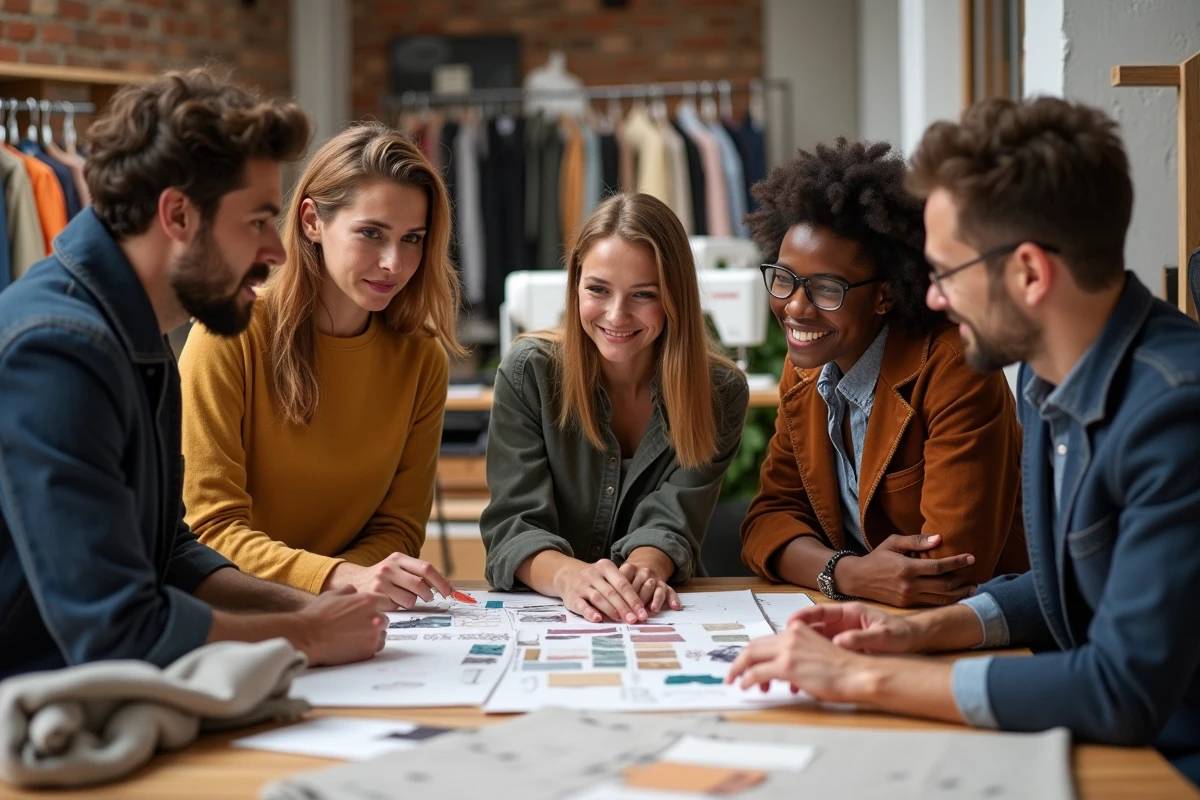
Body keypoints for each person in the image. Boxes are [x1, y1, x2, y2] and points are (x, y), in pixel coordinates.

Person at [727, 97, 1200, 787]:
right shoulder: (1047, 384)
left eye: (946, 272)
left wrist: (865, 675)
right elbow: (1071, 591)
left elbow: (1120, 689)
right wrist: (910, 632)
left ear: (1030, 273)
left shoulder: (1175, 410)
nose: (936, 299)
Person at [0, 69, 388, 679]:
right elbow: (118, 629)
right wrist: (305, 633)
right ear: (178, 214)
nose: (279, 251)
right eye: (258, 220)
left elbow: (169, 553)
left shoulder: (137, 335)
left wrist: (316, 605)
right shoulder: (56, 350)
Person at [179, 123, 462, 610]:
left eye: (413, 238)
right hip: (234, 611)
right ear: (312, 221)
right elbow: (208, 529)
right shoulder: (229, 332)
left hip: (350, 612)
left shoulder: (421, 358)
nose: (394, 262)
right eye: (371, 233)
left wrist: (352, 587)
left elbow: (398, 528)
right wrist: (337, 578)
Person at [739, 138, 1027, 607]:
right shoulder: (808, 368)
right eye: (784, 278)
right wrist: (849, 572)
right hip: (868, 615)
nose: (794, 306)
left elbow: (949, 570)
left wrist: (825, 567)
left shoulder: (955, 368)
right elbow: (767, 521)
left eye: (825, 288)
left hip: (986, 633)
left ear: (885, 295)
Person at [481, 192, 749, 623]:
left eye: (643, 294)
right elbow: (513, 527)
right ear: (575, 285)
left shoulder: (720, 392)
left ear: (675, 297)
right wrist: (571, 577)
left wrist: (642, 571)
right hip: (549, 609)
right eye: (598, 290)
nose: (617, 315)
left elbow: (673, 519)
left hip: (658, 611)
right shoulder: (527, 374)